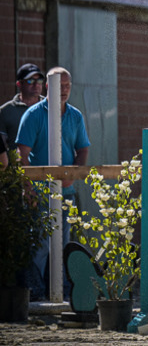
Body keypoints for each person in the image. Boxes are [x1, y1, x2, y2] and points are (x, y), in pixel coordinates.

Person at [15, 66, 90, 300]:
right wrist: (28, 188)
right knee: (40, 245)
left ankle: (63, 292)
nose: (65, 90)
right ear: (49, 86)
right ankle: (36, 294)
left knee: (63, 244)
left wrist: (74, 173)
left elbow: (83, 149)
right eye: (61, 85)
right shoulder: (34, 115)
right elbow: (22, 156)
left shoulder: (75, 115)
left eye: (68, 85)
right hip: (39, 192)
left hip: (66, 191)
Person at [0, 63, 46, 161]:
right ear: (19, 84)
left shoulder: (50, 108)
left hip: (47, 172)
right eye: (30, 81)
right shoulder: (5, 111)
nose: (36, 85)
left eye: (39, 80)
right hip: (18, 173)